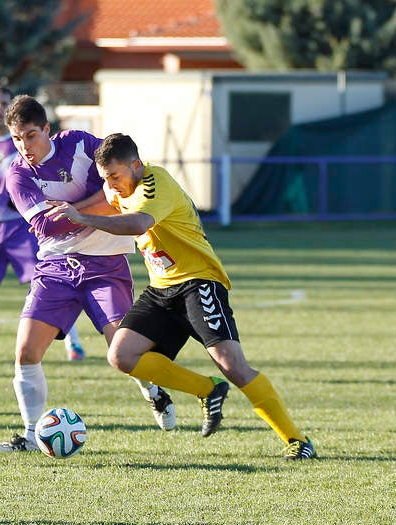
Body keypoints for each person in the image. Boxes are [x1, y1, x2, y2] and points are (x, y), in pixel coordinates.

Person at [46, 133, 316, 460]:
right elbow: (105, 200)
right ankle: (207, 389)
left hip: (198, 282)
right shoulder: (116, 186)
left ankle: (297, 441)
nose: (111, 184)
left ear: (136, 165)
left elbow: (138, 223)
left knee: (234, 366)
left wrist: (82, 217)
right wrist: (68, 210)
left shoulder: (154, 183)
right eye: (105, 178)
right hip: (162, 289)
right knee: (122, 355)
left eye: (115, 176)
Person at [0, 96, 176, 453]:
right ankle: (29, 435)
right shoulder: (17, 175)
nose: (24, 147)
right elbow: (45, 227)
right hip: (57, 266)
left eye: (30, 135)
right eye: (16, 139)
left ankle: (153, 391)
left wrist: (75, 209)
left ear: (47, 129)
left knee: (123, 350)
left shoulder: (79, 144)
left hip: (106, 262)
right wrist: (91, 204)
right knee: (26, 352)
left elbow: (119, 190)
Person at [0, 85, 86, 361]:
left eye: (4, 103)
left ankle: (72, 343)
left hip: (22, 223)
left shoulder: (26, 142)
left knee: (50, 284)